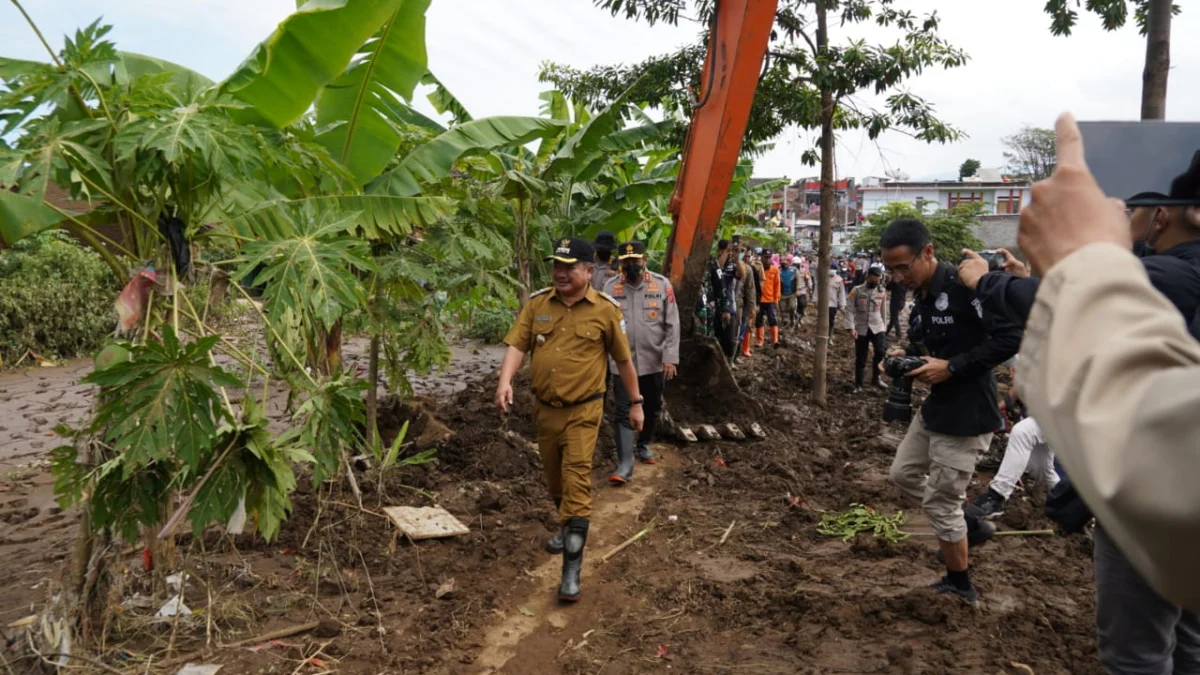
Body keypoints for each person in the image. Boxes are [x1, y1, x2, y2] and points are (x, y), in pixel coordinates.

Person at [962, 134, 1200, 664]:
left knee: (1136, 652)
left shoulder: (1179, 272)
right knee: (1186, 638)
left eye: (1148, 203)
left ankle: (1005, 495)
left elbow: (1069, 296)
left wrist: (987, 283)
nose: (1137, 213)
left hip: (1158, 491)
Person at [879, 218, 1022, 606]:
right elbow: (926, 345)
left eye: (903, 267)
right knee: (903, 473)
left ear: (927, 252)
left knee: (941, 504)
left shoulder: (965, 287)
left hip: (967, 413)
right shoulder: (922, 298)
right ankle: (970, 523)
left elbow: (1010, 338)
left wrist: (952, 367)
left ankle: (961, 584)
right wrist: (902, 357)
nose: (897, 277)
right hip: (937, 407)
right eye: (890, 269)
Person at [496, 237, 645, 603]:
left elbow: (623, 362)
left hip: (584, 410)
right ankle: (566, 523)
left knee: (576, 479)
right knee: (554, 477)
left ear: (589, 271)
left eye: (569, 267)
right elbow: (518, 345)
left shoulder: (605, 311)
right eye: (557, 266)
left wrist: (636, 403)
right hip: (545, 409)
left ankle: (570, 571)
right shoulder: (538, 305)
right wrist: (505, 380)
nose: (560, 273)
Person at [604, 241, 680, 482]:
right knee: (623, 410)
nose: (631, 266)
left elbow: (672, 324)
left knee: (652, 406)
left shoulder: (661, 285)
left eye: (635, 261)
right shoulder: (609, 288)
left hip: (653, 360)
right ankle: (625, 463)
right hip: (621, 363)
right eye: (626, 262)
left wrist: (669, 357)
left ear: (644, 259)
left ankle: (644, 443)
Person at [845, 266, 888, 392]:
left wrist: (884, 328)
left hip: (877, 326)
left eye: (878, 280)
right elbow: (849, 309)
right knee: (861, 356)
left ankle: (876, 378)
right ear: (868, 277)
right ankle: (858, 384)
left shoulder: (881, 291)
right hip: (861, 327)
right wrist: (850, 327)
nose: (876, 282)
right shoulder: (857, 290)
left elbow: (883, 310)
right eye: (874, 280)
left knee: (880, 352)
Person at [714, 239, 739, 359]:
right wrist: (725, 253)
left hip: (729, 307)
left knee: (729, 342)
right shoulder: (713, 265)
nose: (729, 253)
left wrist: (737, 257)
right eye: (727, 250)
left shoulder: (732, 266)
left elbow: (741, 274)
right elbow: (717, 269)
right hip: (714, 308)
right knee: (715, 339)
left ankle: (728, 363)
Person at [755, 249, 782, 346]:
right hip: (759, 300)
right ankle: (759, 341)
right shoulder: (757, 269)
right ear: (761, 257)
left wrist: (776, 299)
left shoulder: (775, 270)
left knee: (773, 319)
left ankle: (775, 340)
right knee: (758, 320)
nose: (767, 260)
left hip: (770, 299)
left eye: (769, 258)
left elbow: (777, 285)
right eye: (765, 257)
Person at [738, 249, 761, 359]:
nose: (746, 258)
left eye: (748, 256)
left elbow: (753, 289)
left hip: (744, 305)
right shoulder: (730, 267)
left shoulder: (751, 270)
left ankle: (741, 351)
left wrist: (753, 306)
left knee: (744, 328)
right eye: (744, 256)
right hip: (732, 305)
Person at [825, 266, 846, 346]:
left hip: (833, 304)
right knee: (822, 321)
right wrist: (815, 299)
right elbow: (818, 288)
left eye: (832, 269)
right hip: (823, 304)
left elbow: (841, 293)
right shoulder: (824, 277)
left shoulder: (839, 280)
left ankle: (829, 337)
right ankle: (822, 336)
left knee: (831, 321)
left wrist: (842, 304)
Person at [778, 255, 800, 327]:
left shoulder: (794, 270)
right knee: (783, 308)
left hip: (792, 293)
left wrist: (797, 289)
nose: (784, 264)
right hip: (782, 293)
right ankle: (785, 321)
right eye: (782, 262)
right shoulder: (779, 271)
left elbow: (798, 280)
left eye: (785, 262)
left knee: (792, 306)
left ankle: (792, 319)